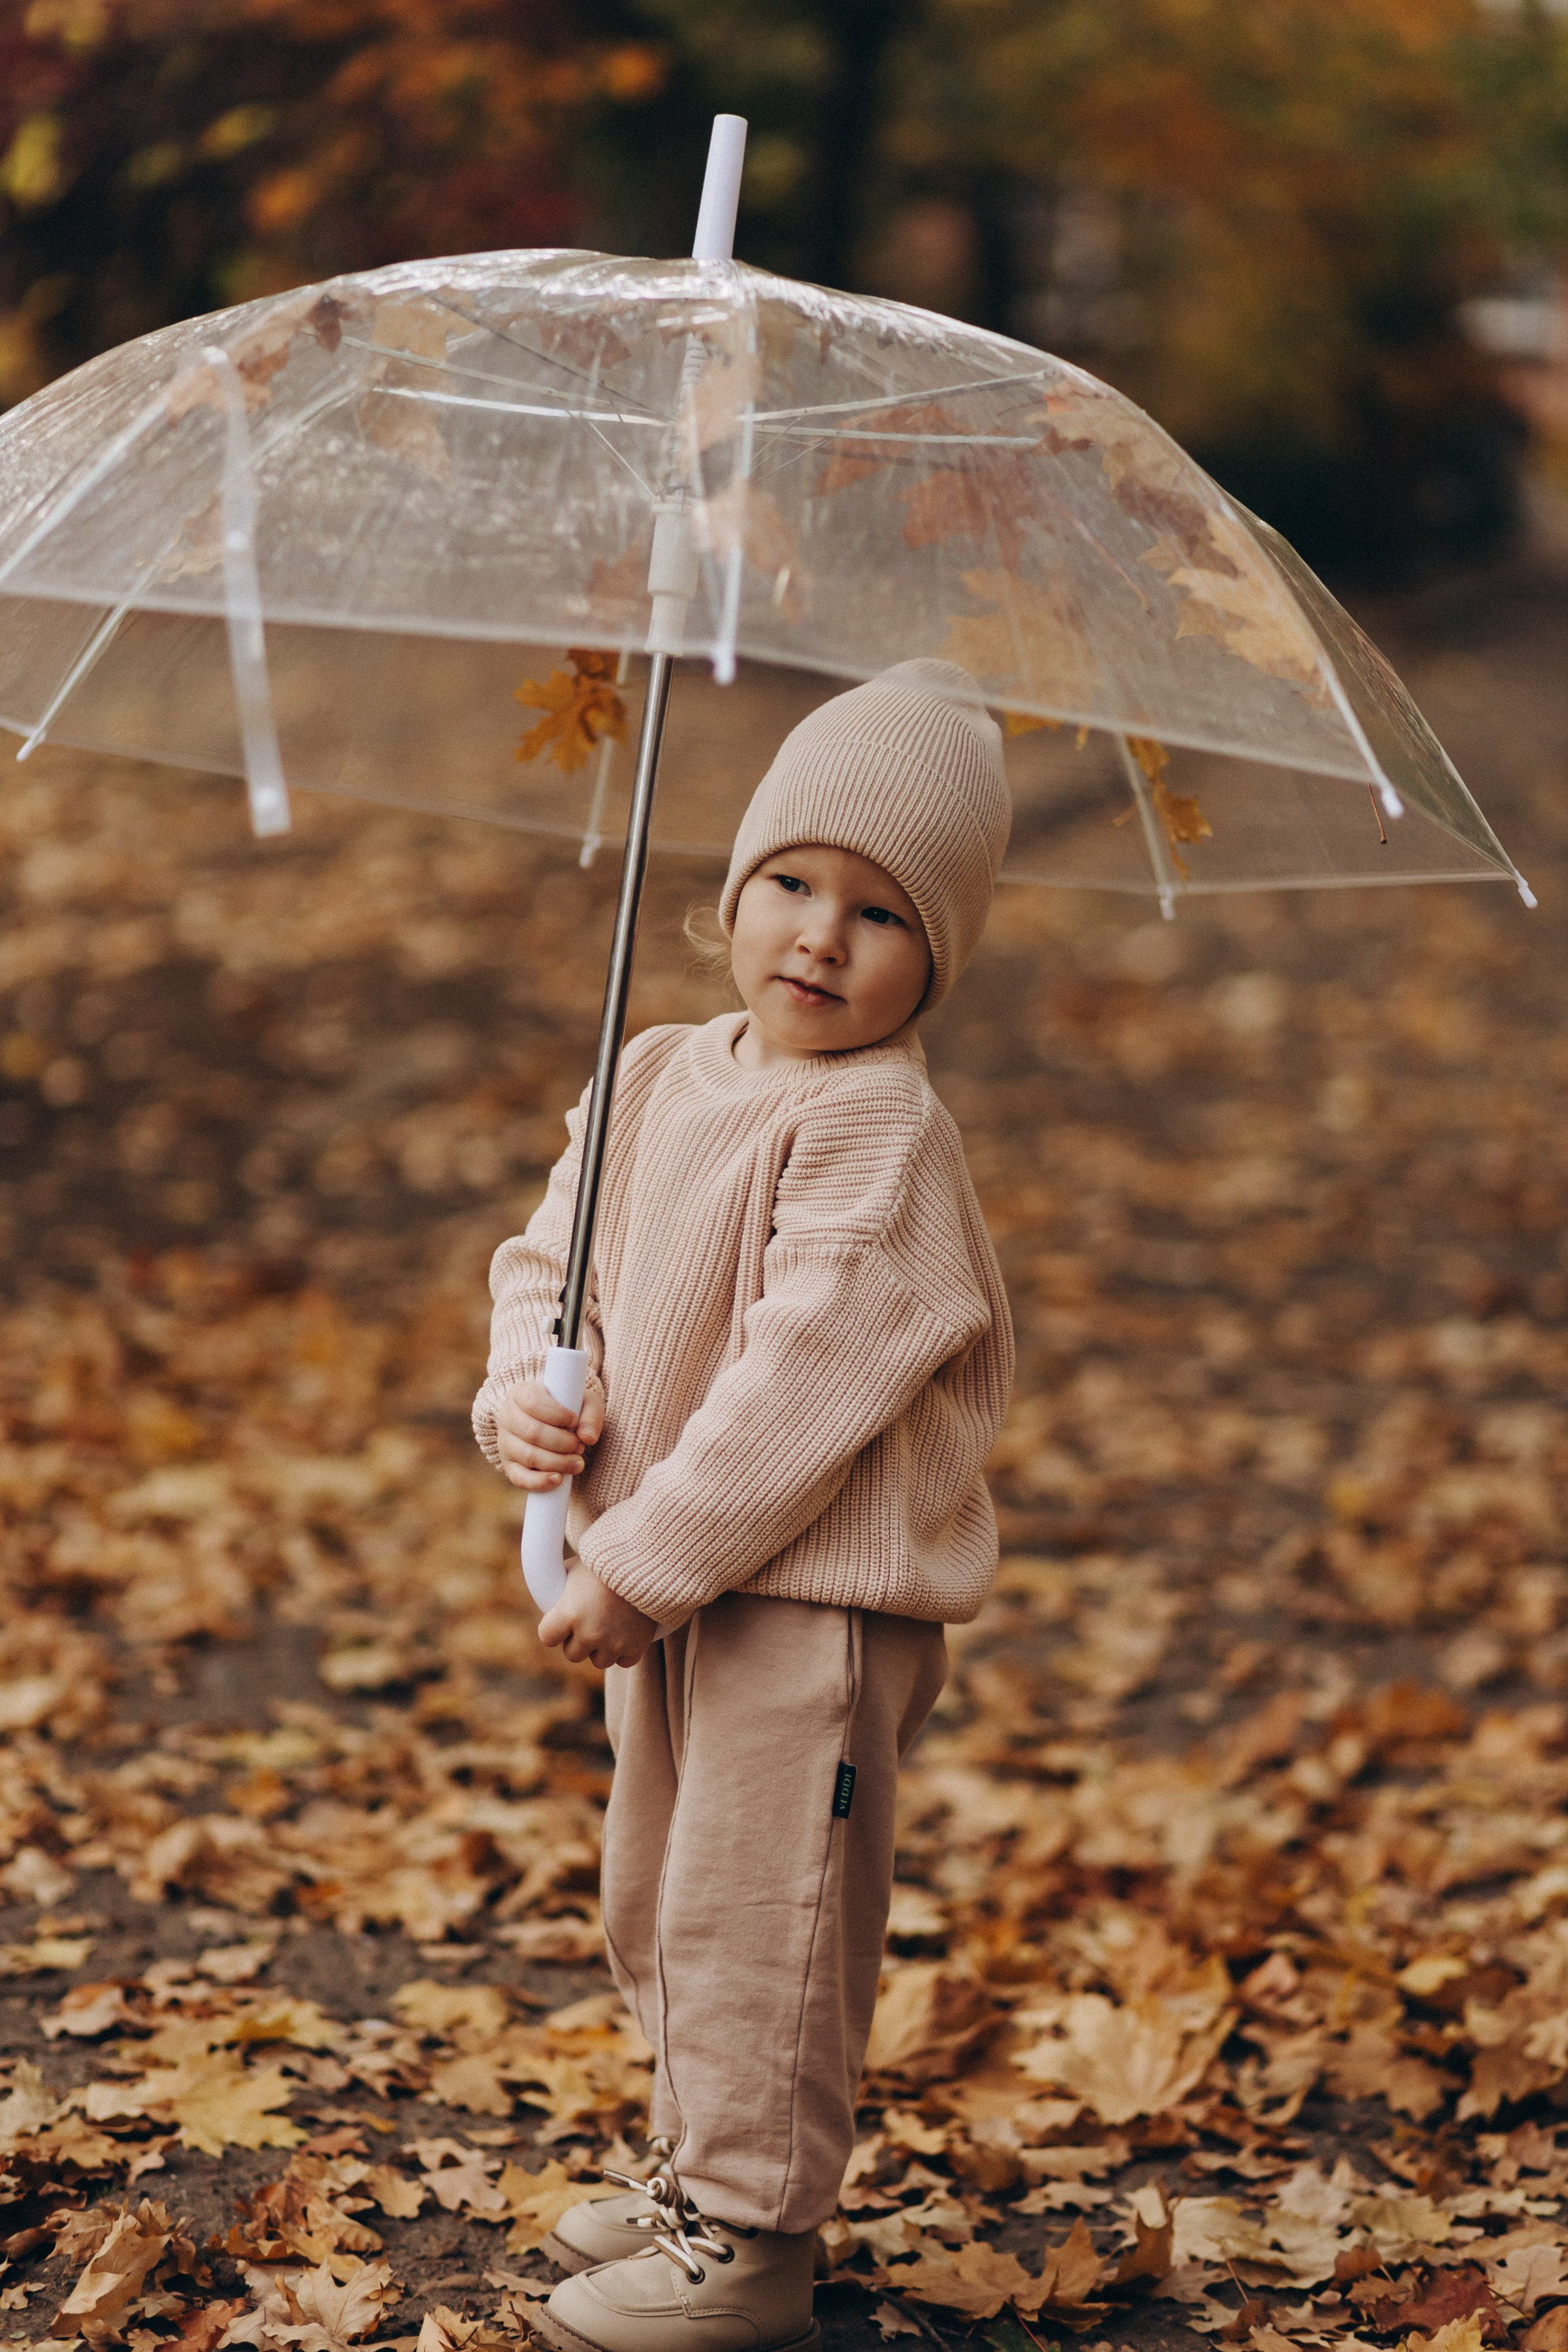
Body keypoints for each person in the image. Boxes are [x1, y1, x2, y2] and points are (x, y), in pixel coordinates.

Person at [472, 659, 1015, 2352]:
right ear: (730, 892)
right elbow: (547, 1262)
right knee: (656, 1879)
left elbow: (806, 1381)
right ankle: (696, 2157)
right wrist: (526, 1400)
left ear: (940, 956)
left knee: (761, 1900)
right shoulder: (652, 1074)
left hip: (807, 1596)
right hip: (680, 1579)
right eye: (792, 882)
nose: (821, 935)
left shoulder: (881, 1130)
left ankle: (755, 2242)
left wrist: (642, 1560)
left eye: (881, 912)